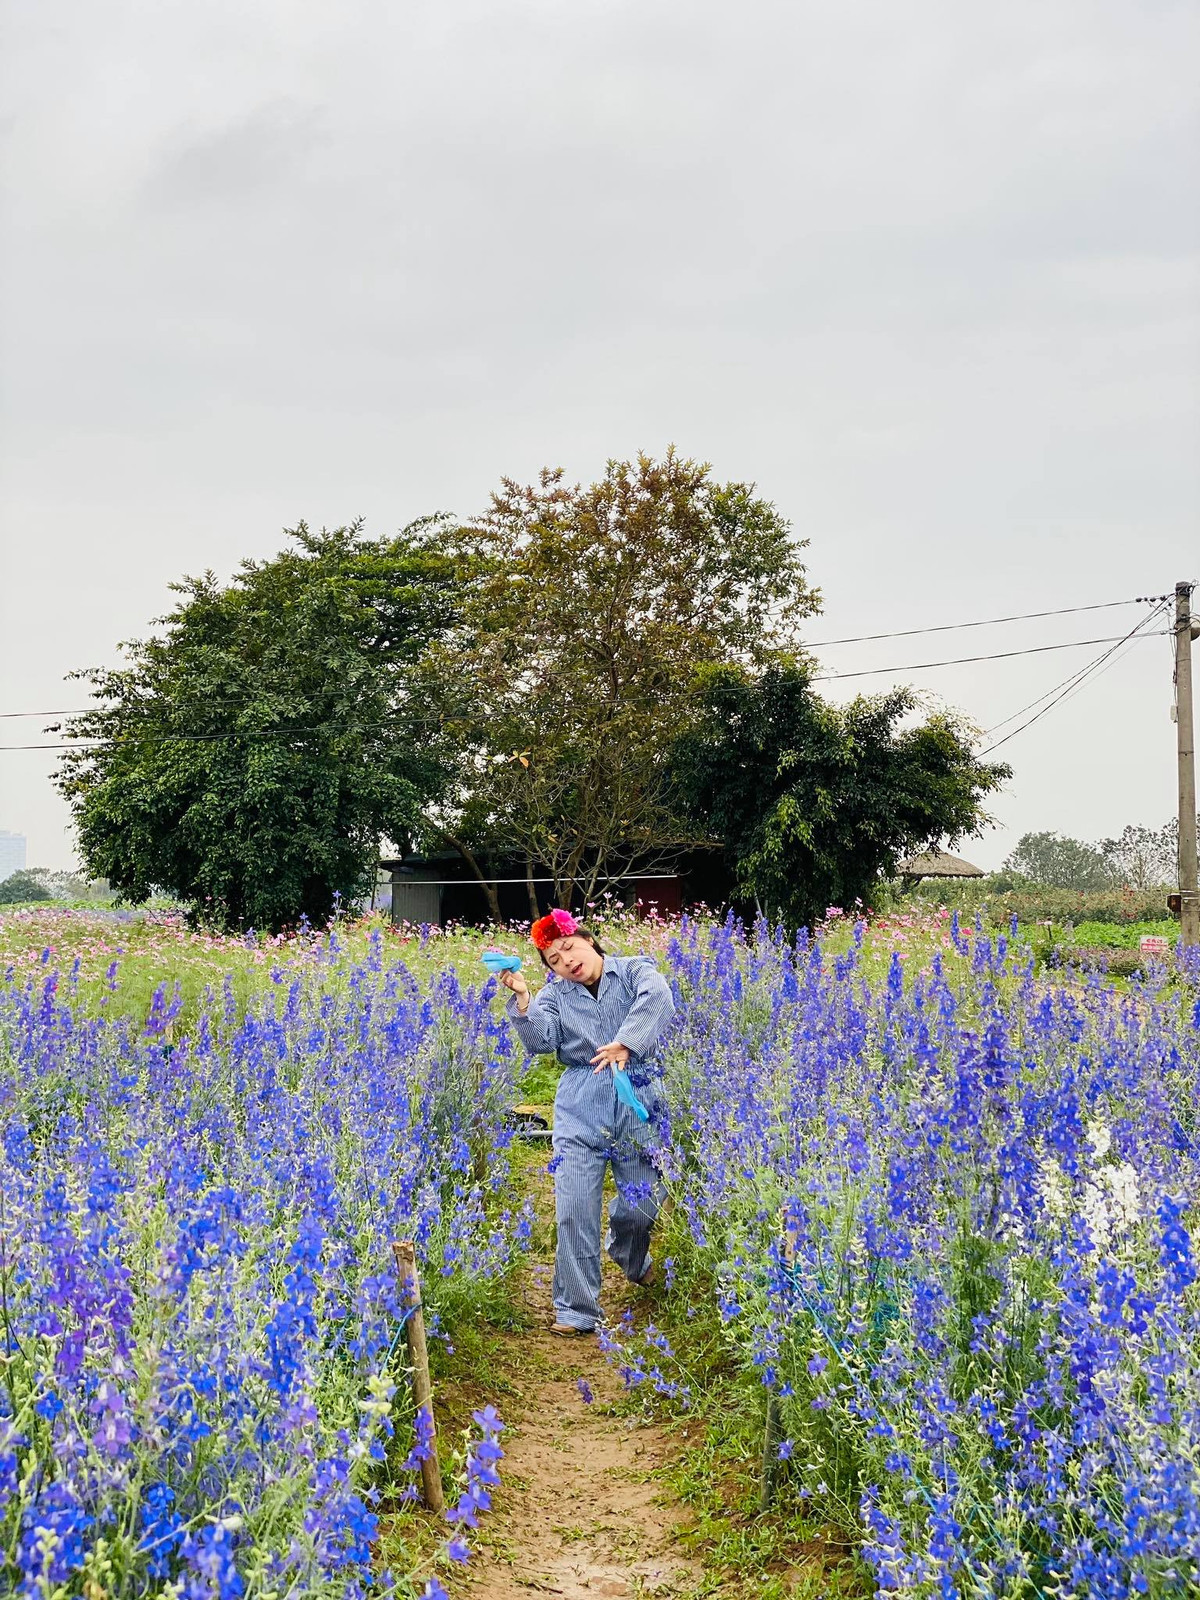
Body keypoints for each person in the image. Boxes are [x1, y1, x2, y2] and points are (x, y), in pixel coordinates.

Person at [496, 908, 675, 1335]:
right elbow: (541, 1042)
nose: (567, 962)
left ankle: (631, 1257)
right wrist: (524, 999)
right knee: (574, 1207)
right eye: (554, 961)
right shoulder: (556, 997)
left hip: (638, 1094)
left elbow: (660, 998)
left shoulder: (634, 970)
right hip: (581, 1100)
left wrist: (626, 1043)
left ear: (588, 940)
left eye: (569, 949)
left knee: (640, 1205)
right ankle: (577, 1310)